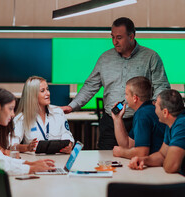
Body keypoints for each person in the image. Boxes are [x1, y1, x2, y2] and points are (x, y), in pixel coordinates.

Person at [61, 17, 170, 150]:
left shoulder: (151, 57)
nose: (114, 42)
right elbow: (90, 86)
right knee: (106, 161)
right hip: (110, 122)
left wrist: (152, 108)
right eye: (112, 37)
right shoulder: (105, 58)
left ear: (131, 36)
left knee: (137, 161)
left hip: (139, 121)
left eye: (119, 37)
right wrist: (72, 106)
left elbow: (161, 86)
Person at [11, 76, 74, 153]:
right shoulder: (21, 118)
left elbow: (67, 135)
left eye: (47, 89)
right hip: (34, 162)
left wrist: (69, 145)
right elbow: (11, 145)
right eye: (42, 91)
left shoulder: (58, 112)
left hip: (58, 159)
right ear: (32, 95)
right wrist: (26, 147)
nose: (48, 93)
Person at [111, 76, 165, 159]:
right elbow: (128, 145)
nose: (125, 97)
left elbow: (142, 153)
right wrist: (117, 119)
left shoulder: (142, 114)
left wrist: (121, 152)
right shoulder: (148, 109)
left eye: (126, 94)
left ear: (135, 98)